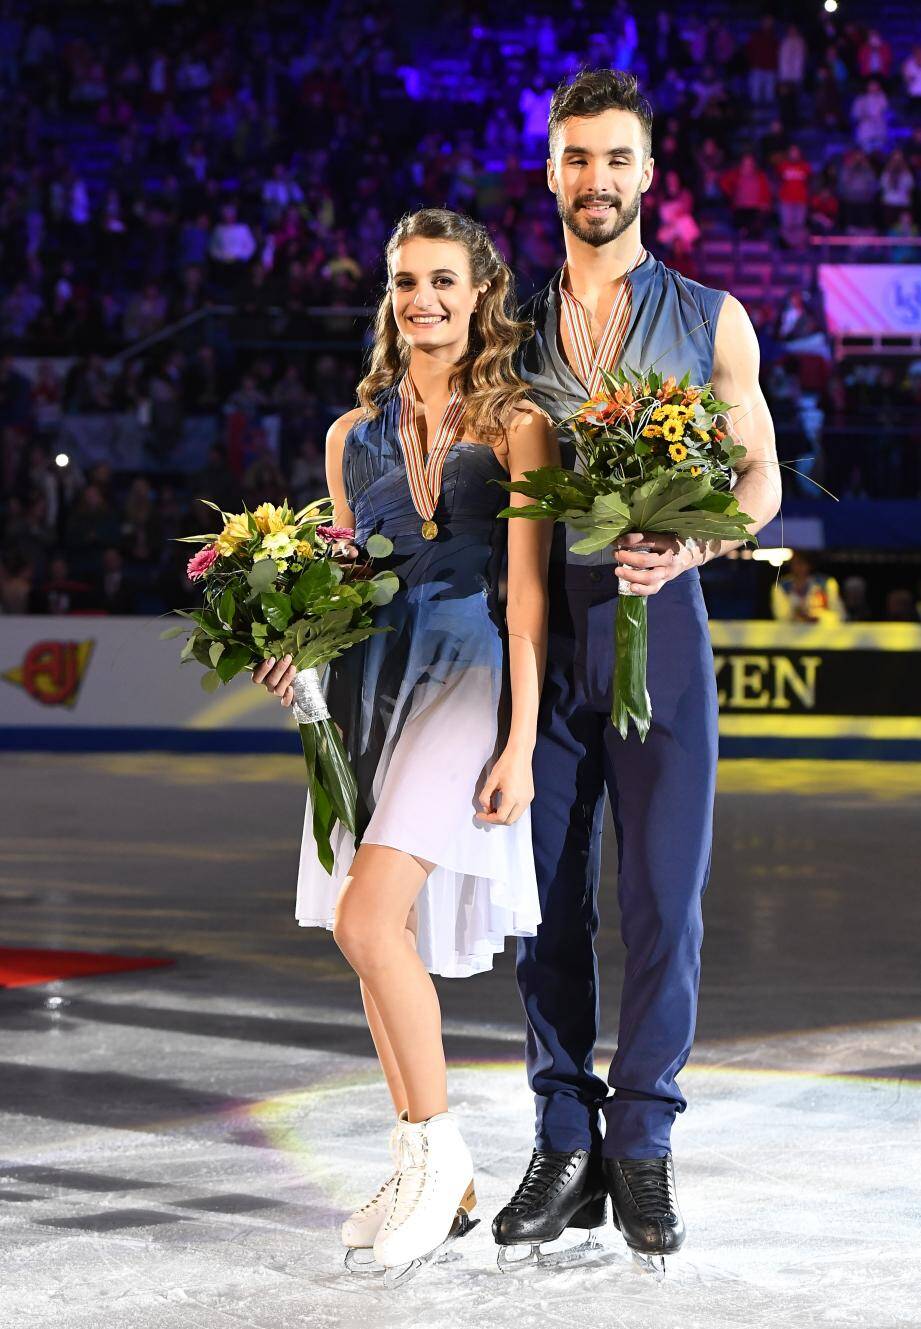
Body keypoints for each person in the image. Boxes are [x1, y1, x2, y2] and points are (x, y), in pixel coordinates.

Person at [492, 70, 781, 1271]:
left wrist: (702, 537)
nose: (595, 181)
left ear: (650, 171)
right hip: (539, 637)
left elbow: (760, 480)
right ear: (550, 169)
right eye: (575, 158)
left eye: (616, 159)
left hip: (660, 631)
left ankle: (643, 1145)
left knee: (665, 902)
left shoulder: (712, 316)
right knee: (543, 909)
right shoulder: (512, 330)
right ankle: (564, 1137)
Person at [253, 208, 556, 1279]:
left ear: (480, 293)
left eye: (441, 280)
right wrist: (294, 645)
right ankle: (438, 1169)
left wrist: (521, 740)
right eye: (404, 281)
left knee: (368, 914)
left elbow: (528, 597)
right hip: (374, 683)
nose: (421, 298)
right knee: (374, 936)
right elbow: (343, 582)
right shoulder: (352, 436)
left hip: (468, 675)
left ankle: (437, 1152)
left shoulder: (519, 422)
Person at [771, 551, 844, 624]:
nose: (798, 567)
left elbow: (840, 615)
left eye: (802, 563)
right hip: (793, 631)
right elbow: (781, 617)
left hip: (822, 630)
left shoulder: (826, 583)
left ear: (809, 564)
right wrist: (797, 612)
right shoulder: (781, 586)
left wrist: (818, 616)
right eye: (795, 563)